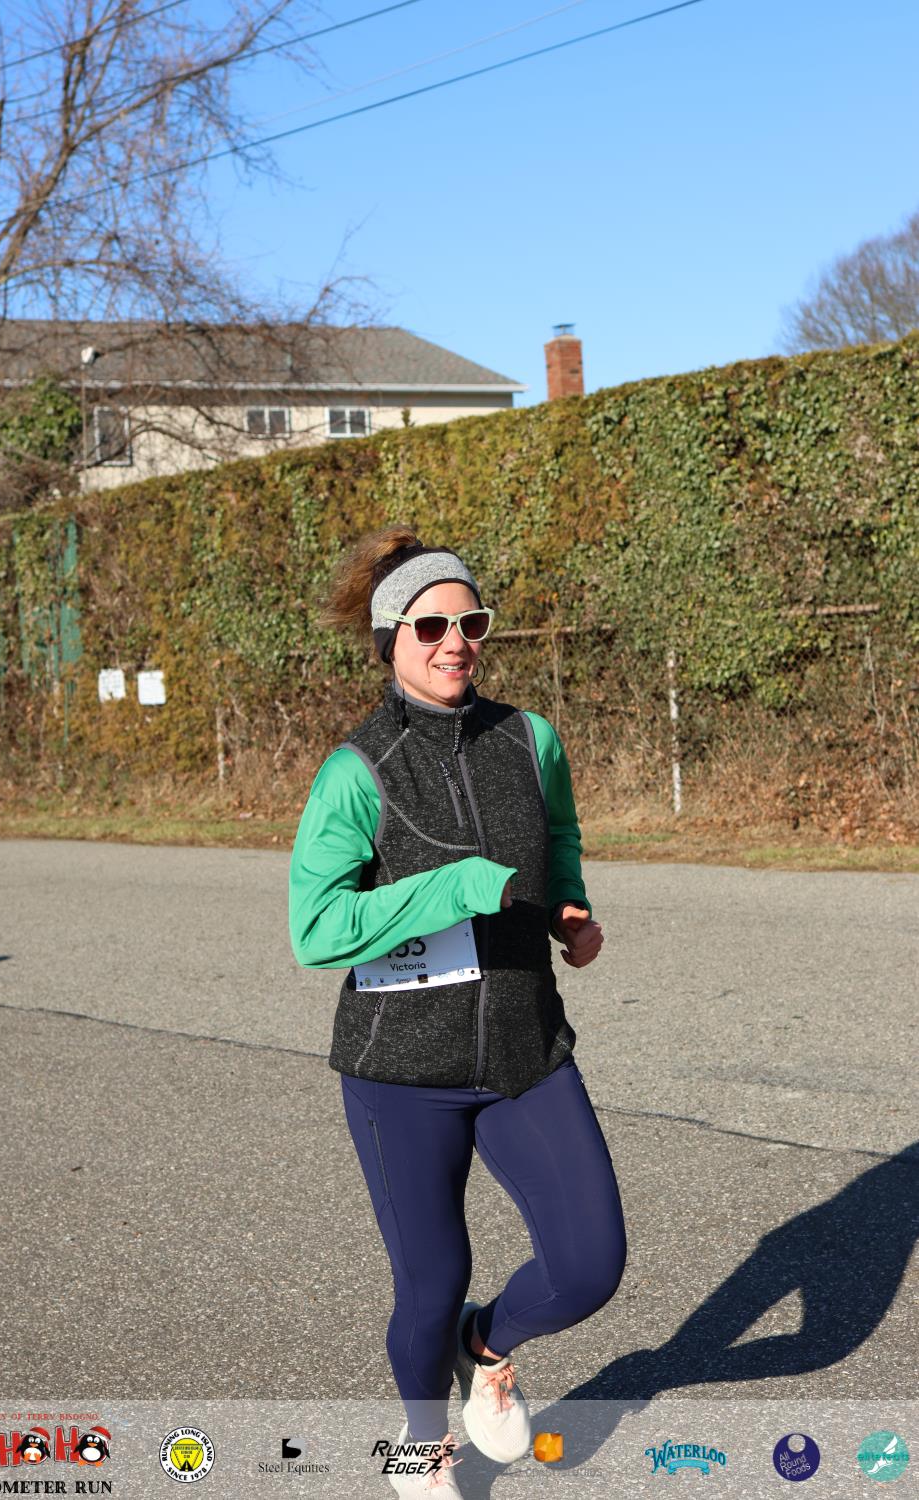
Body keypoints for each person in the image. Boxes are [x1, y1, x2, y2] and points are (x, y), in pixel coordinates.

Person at [288, 525, 626, 1496]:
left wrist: (568, 911)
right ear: (389, 638)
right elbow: (316, 930)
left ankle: (486, 1347)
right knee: (428, 1287)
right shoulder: (357, 770)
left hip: (525, 1050)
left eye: (470, 622)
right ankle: (421, 1445)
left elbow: (557, 837)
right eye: (430, 625)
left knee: (589, 1264)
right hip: (401, 1072)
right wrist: (457, 886)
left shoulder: (530, 738)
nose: (455, 642)